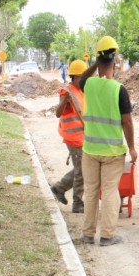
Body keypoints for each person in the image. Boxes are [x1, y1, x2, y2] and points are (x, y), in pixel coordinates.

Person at [79, 36, 137, 246]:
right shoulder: (119, 90)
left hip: (90, 149)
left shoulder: (89, 84)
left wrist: (97, 60)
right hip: (112, 152)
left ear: (98, 63)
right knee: (110, 190)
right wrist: (131, 148)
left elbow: (80, 79)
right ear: (114, 64)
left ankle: (87, 233)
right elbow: (127, 122)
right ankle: (107, 235)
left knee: (92, 191)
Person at [50, 59, 88, 213]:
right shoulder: (67, 92)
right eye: (83, 77)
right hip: (73, 139)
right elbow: (58, 113)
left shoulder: (81, 92)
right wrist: (64, 101)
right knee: (82, 171)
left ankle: (59, 187)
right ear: (76, 76)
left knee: (83, 169)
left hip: (82, 137)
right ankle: (77, 203)